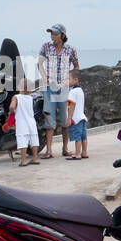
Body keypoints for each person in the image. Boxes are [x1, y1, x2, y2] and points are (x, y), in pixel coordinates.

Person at [37, 24, 79, 159]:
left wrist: (68, 82)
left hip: (64, 89)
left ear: (62, 35)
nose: (52, 36)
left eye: (55, 33)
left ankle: (65, 149)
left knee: (65, 121)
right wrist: (44, 78)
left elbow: (76, 67)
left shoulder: (71, 49)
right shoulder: (45, 46)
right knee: (49, 120)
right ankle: (48, 151)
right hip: (49, 89)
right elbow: (39, 63)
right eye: (51, 34)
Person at [9, 73, 40, 167]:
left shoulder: (16, 97)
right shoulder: (30, 98)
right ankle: (34, 159)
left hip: (22, 124)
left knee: (23, 142)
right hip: (31, 123)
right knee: (34, 140)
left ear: (19, 87)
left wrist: (12, 112)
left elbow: (11, 107)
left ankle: (23, 161)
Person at [65, 69, 89, 160]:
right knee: (84, 136)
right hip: (82, 117)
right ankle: (84, 152)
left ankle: (77, 154)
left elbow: (72, 105)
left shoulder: (72, 92)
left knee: (77, 137)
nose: (67, 81)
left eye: (68, 79)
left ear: (75, 80)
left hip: (75, 119)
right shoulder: (80, 90)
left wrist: (69, 118)